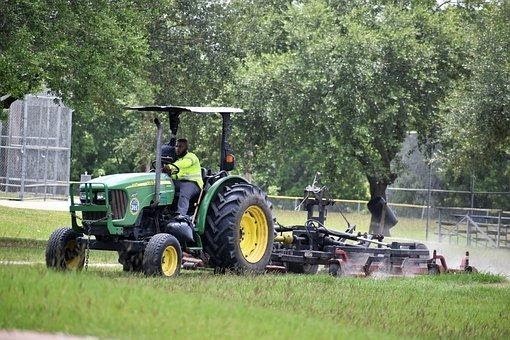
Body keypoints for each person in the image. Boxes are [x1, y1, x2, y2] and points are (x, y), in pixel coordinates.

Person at [164, 138, 203, 223]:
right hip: (181, 183)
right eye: (176, 146)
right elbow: (176, 176)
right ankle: (165, 211)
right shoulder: (178, 160)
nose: (178, 148)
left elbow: (184, 164)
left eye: (181, 147)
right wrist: (167, 173)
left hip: (194, 184)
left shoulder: (191, 156)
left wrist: (170, 166)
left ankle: (181, 216)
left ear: (186, 148)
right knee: (166, 184)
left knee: (185, 190)